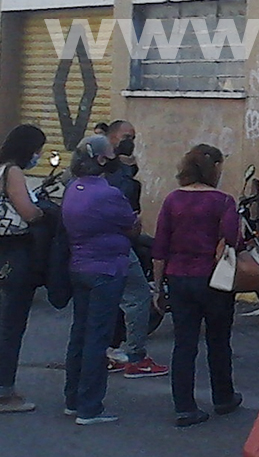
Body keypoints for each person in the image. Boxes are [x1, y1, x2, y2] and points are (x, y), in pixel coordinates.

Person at [151, 144, 243, 427]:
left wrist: (158, 287)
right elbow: (232, 239)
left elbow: (160, 248)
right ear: (213, 168)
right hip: (213, 278)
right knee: (218, 340)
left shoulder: (172, 200)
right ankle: (223, 397)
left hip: (179, 278)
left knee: (184, 343)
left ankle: (185, 406)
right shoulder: (223, 201)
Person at [62, 137, 140, 425]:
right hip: (106, 270)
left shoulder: (73, 188)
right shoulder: (108, 194)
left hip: (79, 267)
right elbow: (131, 225)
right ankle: (90, 407)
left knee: (80, 334)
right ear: (101, 160)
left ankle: (73, 399)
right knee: (97, 338)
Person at [102, 119, 166, 378]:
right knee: (138, 297)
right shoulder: (117, 176)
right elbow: (127, 212)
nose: (130, 142)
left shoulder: (95, 171)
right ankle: (135, 357)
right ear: (112, 138)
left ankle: (106, 350)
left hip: (93, 250)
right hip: (115, 246)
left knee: (106, 302)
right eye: (126, 136)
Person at [0, 125, 48, 414]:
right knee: (11, 324)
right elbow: (27, 212)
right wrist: (42, 211)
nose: (39, 156)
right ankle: (5, 392)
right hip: (15, 250)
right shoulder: (12, 172)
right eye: (38, 149)